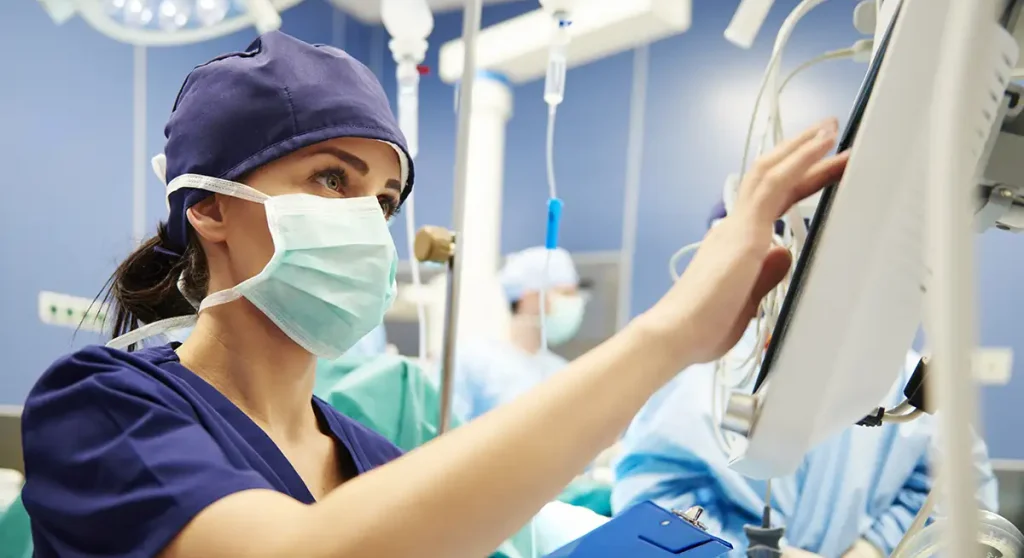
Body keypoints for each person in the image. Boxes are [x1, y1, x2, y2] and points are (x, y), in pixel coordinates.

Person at [19, 29, 850, 558]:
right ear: (208, 206)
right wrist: (667, 336)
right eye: (331, 178)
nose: (367, 220)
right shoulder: (102, 409)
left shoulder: (372, 459)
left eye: (383, 200)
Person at [612, 204, 999, 558]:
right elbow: (651, 498)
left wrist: (872, 547)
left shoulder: (895, 377)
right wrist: (741, 553)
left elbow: (955, 492)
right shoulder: (703, 369)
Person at [454, 246, 587, 421]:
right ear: (530, 298)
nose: (574, 303)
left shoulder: (562, 372)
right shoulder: (472, 360)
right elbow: (446, 437)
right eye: (565, 293)